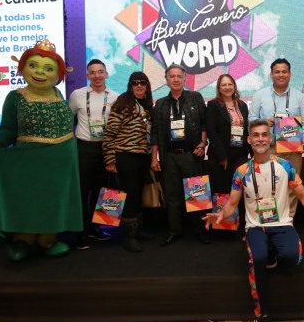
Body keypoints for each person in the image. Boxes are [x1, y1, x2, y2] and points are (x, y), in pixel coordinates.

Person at [202, 119, 304, 322]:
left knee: (292, 257)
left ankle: (273, 251)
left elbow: (302, 193)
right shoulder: (241, 171)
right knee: (257, 258)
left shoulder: (285, 166)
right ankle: (261, 317)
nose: (260, 139)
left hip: (282, 224)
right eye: (256, 135)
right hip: (255, 227)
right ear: (249, 140)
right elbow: (232, 203)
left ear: (270, 139)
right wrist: (220, 215)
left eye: (264, 135)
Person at [0, 39, 83, 261]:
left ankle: (48, 240)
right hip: (28, 164)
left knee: (54, 202)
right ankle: (22, 240)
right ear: (23, 68)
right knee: (27, 201)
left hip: (60, 164)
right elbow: (7, 130)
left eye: (48, 69)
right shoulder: (16, 97)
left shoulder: (59, 96)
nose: (40, 72)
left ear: (58, 74)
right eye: (33, 65)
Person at [151, 64, 209, 246]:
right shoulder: (160, 104)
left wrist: (202, 143)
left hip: (191, 155)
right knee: (172, 196)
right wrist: (154, 158)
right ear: (166, 79)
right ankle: (174, 231)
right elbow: (155, 133)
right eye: (172, 76)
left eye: (179, 76)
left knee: (197, 193)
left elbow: (204, 123)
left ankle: (200, 231)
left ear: (185, 78)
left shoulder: (195, 97)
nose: (176, 79)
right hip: (169, 157)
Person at [249, 58, 304, 216]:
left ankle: (287, 222)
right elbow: (251, 120)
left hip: (293, 151)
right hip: (267, 150)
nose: (281, 75)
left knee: (292, 187)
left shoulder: (299, 97)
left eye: (284, 71)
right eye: (277, 72)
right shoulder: (260, 96)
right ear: (271, 74)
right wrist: (264, 122)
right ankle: (267, 223)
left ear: (290, 74)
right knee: (266, 188)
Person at [69, 59, 119, 249]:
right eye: (93, 72)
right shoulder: (78, 95)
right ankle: (81, 232)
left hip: (105, 149)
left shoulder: (115, 97)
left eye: (100, 72)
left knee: (102, 191)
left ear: (106, 74)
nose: (97, 76)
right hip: (83, 148)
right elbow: (69, 120)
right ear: (87, 75)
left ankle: (96, 227)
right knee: (82, 191)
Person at [103, 71, 153, 252]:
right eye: (135, 83)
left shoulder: (147, 105)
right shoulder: (122, 103)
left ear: (147, 86)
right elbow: (110, 134)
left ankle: (137, 229)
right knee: (130, 195)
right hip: (125, 156)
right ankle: (128, 236)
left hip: (143, 157)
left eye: (142, 83)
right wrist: (110, 160)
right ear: (130, 86)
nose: (139, 86)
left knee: (138, 194)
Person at [205, 74, 250, 229]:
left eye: (230, 84)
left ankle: (240, 227)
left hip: (239, 154)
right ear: (219, 87)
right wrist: (222, 156)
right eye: (223, 85)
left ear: (234, 86)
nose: (227, 87)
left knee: (239, 191)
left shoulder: (242, 105)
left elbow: (246, 129)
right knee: (222, 191)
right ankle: (223, 228)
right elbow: (212, 131)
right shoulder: (213, 105)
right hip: (220, 156)